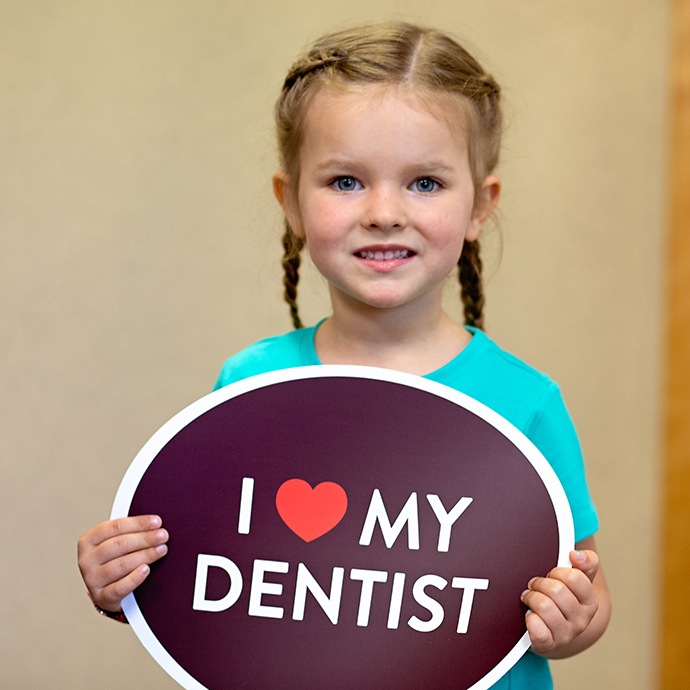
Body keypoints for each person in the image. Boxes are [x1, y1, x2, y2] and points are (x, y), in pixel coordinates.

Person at [78, 21, 611, 687]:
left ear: (481, 206)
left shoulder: (527, 404)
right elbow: (217, 584)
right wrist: (125, 580)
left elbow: (586, 598)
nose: (384, 212)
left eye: (424, 183)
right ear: (291, 202)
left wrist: (573, 618)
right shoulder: (250, 383)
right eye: (345, 181)